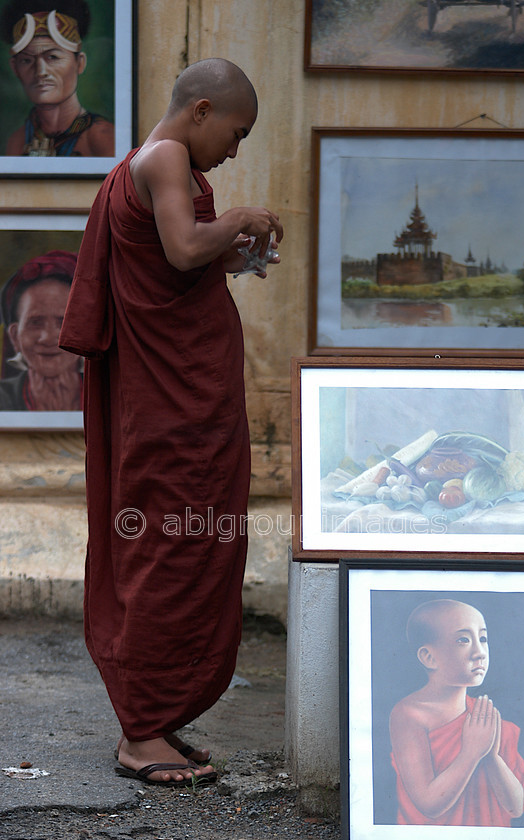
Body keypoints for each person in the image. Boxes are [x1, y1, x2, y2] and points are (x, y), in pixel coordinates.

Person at [58, 57, 283, 787]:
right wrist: (240, 218)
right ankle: (141, 731)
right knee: (168, 542)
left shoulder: (158, 164)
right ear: (200, 111)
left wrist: (238, 253)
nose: (235, 149)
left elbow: (181, 265)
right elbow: (186, 247)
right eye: (236, 132)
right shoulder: (161, 158)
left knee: (189, 540)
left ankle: (159, 715)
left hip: (186, 390)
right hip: (172, 403)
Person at [389, 598, 524, 826]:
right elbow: (429, 804)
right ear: (428, 657)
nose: (480, 652)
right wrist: (472, 752)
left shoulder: (484, 717)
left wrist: (492, 756)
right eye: (463, 640)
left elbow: (516, 807)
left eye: (483, 638)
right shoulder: (409, 714)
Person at [1, 0, 114, 156]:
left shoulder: (103, 138)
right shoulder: (17, 141)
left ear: (80, 63)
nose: (40, 71)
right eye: (26, 60)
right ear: (15, 68)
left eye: (53, 57)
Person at [0, 250, 82, 410]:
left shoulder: (111, 398)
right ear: (15, 337)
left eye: (63, 322)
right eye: (35, 322)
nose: (48, 337)